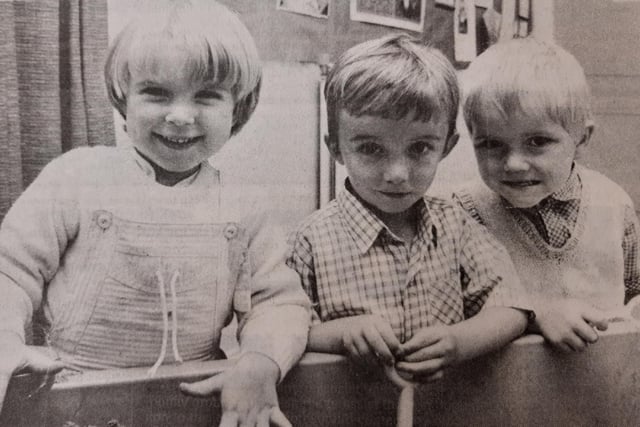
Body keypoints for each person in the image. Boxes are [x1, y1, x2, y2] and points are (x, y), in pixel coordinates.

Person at [0, 1, 310, 425]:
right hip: (72, 404)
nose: (180, 116)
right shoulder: (76, 177)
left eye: (206, 96)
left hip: (193, 404)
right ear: (123, 97)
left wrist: (260, 360)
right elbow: (10, 273)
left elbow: (280, 303)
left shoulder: (245, 206)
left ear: (236, 109)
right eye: (156, 93)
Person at [287, 34, 531, 383]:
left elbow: (512, 307)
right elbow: (280, 330)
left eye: (419, 148)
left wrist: (460, 342)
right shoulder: (308, 241)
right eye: (371, 148)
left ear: (446, 147)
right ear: (336, 148)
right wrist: (341, 334)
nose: (397, 174)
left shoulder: (457, 227)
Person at [455, 37, 640, 353]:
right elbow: (456, 314)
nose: (513, 164)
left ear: (581, 137)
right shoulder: (463, 212)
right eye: (491, 144)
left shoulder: (613, 202)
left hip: (603, 385)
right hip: (507, 391)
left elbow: (634, 289)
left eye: (537, 141)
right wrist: (534, 315)